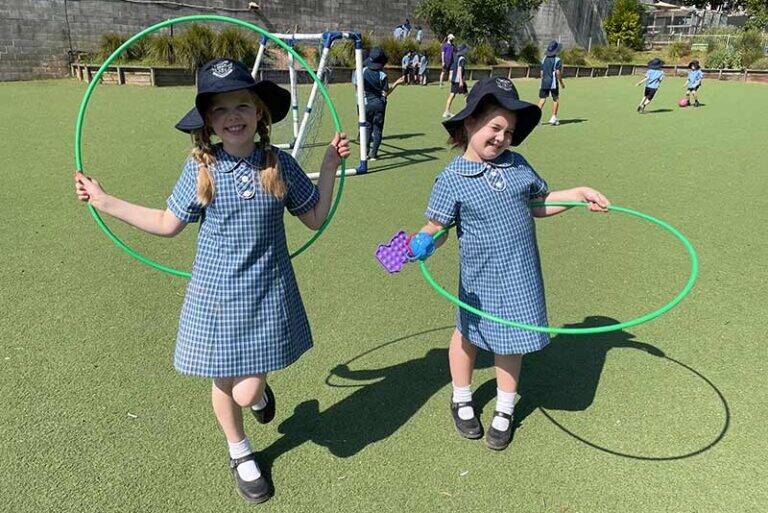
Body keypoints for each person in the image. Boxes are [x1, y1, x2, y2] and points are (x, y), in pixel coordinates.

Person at [74, 58, 350, 503]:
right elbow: (167, 222)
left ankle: (257, 397)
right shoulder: (203, 167)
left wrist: (330, 166)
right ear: (208, 121)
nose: (232, 116)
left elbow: (314, 217)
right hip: (216, 298)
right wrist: (105, 201)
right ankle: (239, 451)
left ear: (260, 111)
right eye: (220, 110)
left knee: (247, 389)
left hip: (266, 294)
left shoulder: (277, 164)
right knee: (229, 385)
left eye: (242, 104)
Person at [407, 77, 609, 450]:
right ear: (470, 124)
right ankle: (462, 397)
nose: (501, 138)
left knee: (510, 341)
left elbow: (539, 203)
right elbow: (438, 226)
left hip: (520, 274)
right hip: (480, 281)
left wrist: (579, 194)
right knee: (467, 337)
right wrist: (425, 240)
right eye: (495, 127)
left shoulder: (517, 166)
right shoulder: (452, 178)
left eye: (509, 132)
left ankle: (504, 407)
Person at [359, 47, 405, 161]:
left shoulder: (363, 71)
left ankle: (364, 152)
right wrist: (397, 83)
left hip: (367, 104)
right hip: (380, 105)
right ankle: (373, 154)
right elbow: (385, 93)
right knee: (377, 129)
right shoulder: (382, 75)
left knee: (367, 128)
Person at [537, 41, 565, 126]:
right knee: (555, 99)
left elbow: (541, 72)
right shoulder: (557, 60)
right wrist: (561, 83)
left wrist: (543, 80)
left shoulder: (544, 59)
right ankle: (553, 118)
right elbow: (558, 73)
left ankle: (535, 118)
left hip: (544, 82)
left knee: (542, 99)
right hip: (553, 83)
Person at [443, 43, 469, 118]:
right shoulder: (462, 59)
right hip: (459, 80)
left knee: (452, 95)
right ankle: (469, 110)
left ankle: (446, 111)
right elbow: (460, 69)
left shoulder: (456, 57)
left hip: (454, 79)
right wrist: (461, 81)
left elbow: (453, 68)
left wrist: (451, 76)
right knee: (466, 94)